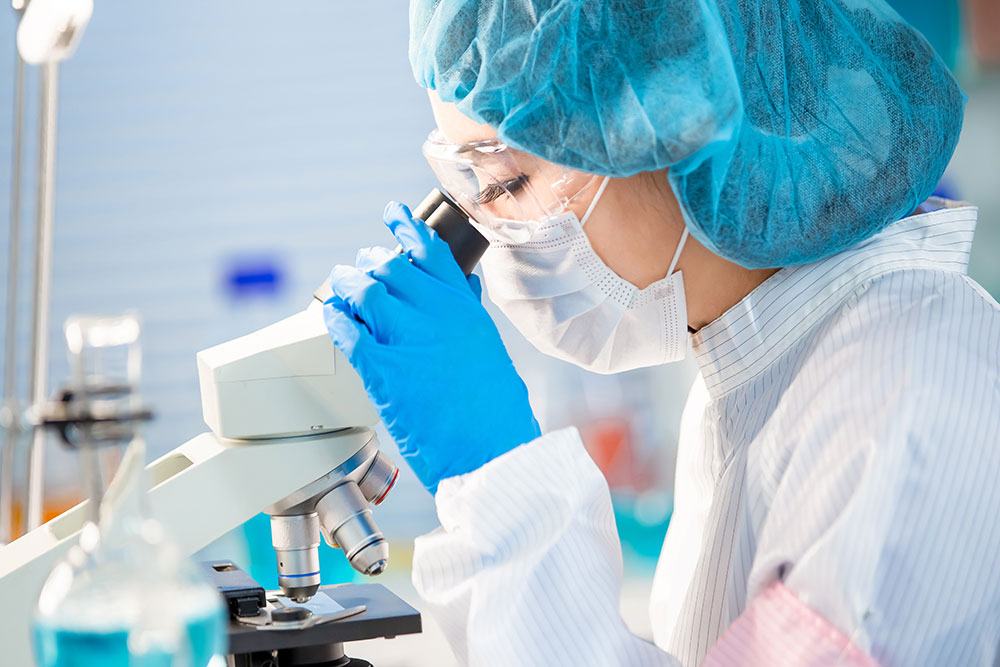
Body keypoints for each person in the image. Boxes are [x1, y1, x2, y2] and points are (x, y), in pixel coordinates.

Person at [324, 1, 1000, 664]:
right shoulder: (758, 371)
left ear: (679, 126)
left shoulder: (908, 392)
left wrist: (500, 483)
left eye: (503, 184)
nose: (488, 234)